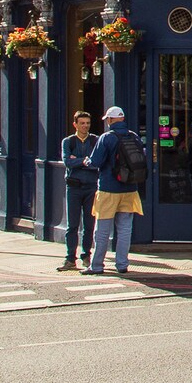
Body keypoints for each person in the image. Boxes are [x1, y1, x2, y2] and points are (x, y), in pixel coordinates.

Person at [85, 106, 146, 276]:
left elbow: (96, 162)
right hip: (130, 189)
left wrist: (86, 162)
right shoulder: (134, 136)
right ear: (123, 119)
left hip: (108, 189)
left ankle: (97, 265)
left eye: (107, 119)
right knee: (125, 229)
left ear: (111, 120)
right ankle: (122, 264)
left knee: (102, 230)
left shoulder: (106, 138)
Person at [59, 110, 98, 272]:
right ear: (75, 124)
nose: (85, 126)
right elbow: (67, 162)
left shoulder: (95, 140)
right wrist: (85, 161)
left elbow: (97, 163)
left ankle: (86, 256)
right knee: (72, 225)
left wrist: (79, 161)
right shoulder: (68, 142)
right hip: (73, 187)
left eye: (87, 123)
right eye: (82, 123)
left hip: (91, 187)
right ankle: (70, 258)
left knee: (89, 224)